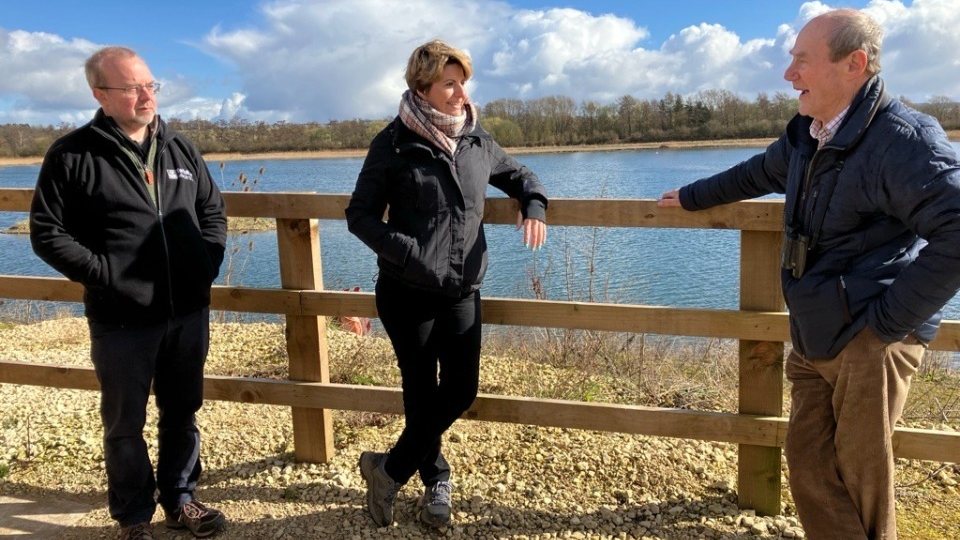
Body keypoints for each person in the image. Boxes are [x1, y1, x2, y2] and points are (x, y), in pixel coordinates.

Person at [658, 9, 960, 540]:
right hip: (816, 328)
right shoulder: (807, 134)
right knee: (809, 464)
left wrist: (884, 326)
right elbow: (756, 172)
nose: (788, 73)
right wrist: (689, 196)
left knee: (860, 475)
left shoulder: (904, 140)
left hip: (871, 337)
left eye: (801, 60)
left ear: (854, 64)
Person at [345, 39, 548, 528]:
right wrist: (411, 255)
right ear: (423, 87)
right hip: (406, 292)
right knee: (420, 393)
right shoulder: (393, 143)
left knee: (460, 389)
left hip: (461, 291)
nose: (461, 93)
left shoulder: (478, 139)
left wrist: (534, 204)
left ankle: (388, 469)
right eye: (449, 84)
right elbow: (360, 216)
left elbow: (521, 175)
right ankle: (436, 480)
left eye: (463, 82)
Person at [29, 47, 228, 540]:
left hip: (186, 312)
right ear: (101, 94)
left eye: (150, 85)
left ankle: (181, 500)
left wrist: (204, 267)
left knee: (182, 412)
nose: (146, 96)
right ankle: (134, 517)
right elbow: (46, 233)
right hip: (120, 318)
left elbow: (212, 215)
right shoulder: (72, 154)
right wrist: (108, 275)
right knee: (124, 424)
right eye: (131, 87)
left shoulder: (181, 147)